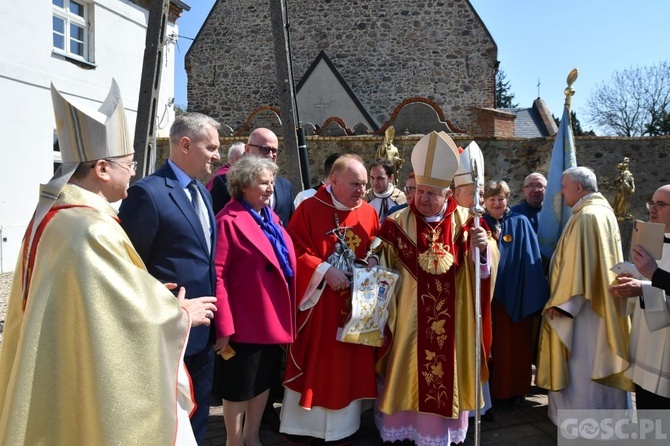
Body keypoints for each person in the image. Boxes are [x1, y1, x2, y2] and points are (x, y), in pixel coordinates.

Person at [0, 81, 217, 445]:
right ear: (102, 169)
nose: (133, 173)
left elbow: (98, 296)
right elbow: (119, 316)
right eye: (128, 165)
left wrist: (149, 293)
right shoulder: (89, 228)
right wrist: (177, 315)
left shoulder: (59, 216)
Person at [372, 131, 499, 446]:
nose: (422, 199)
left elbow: (485, 274)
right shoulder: (395, 224)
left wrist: (482, 251)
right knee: (405, 375)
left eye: (431, 193)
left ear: (447, 193)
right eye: (419, 191)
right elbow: (378, 267)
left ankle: (441, 437)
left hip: (453, 331)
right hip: (407, 328)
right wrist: (373, 267)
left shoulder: (469, 223)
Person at [118, 112, 221, 444]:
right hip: (167, 333)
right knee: (166, 422)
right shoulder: (147, 194)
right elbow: (130, 268)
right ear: (186, 145)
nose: (218, 156)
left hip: (204, 331)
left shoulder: (203, 193)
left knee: (199, 417)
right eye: (212, 148)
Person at [279, 154, 380, 444]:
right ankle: (302, 427)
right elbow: (293, 250)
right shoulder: (310, 209)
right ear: (333, 180)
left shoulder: (369, 212)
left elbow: (375, 244)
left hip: (354, 305)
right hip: (320, 305)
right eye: (354, 184)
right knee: (320, 363)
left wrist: (373, 258)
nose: (361, 190)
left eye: (363, 184)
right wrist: (323, 270)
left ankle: (343, 428)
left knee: (348, 365)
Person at [536, 166, 633, 425]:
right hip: (598, 305)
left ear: (579, 188)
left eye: (564, 186)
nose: (561, 191)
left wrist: (564, 306)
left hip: (583, 312)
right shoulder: (602, 212)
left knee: (582, 369)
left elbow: (579, 270)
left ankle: (584, 426)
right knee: (595, 366)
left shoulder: (587, 216)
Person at [212, 156, 297, 446]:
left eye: (272, 182)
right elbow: (218, 275)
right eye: (263, 182)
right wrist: (223, 326)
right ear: (244, 184)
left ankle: (252, 436)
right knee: (238, 387)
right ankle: (234, 441)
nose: (270, 188)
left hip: (270, 317)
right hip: (243, 321)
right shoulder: (228, 220)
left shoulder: (270, 218)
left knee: (263, 382)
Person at [482, 180, 549, 403]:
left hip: (516, 295)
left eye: (500, 198)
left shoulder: (520, 222)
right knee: (492, 347)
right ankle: (491, 394)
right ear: (484, 201)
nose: (496, 203)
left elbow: (532, 259)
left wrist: (531, 295)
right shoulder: (480, 223)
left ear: (507, 198)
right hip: (488, 297)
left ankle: (515, 391)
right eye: (491, 199)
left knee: (515, 347)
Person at [609, 184, 670, 409]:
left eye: (660, 204)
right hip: (646, 343)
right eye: (651, 203)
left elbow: (656, 279)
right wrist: (631, 282)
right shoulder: (653, 241)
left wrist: (645, 283)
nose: (653, 209)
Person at [209, 128, 295, 224]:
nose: (270, 155)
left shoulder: (285, 187)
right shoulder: (226, 181)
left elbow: (291, 226)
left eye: (274, 151)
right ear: (247, 149)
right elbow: (215, 223)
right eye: (265, 149)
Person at [364, 158, 406, 222]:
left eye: (380, 178)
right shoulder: (363, 199)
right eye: (372, 178)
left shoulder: (403, 200)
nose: (375, 182)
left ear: (391, 178)